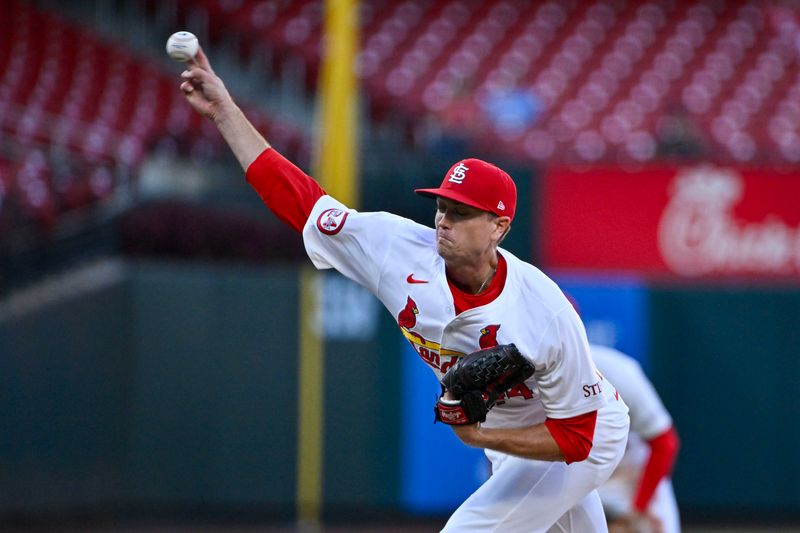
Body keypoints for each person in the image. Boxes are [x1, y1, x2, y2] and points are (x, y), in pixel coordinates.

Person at [178, 47, 630, 532]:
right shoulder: (398, 249)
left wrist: (477, 436)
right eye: (441, 205)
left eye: (460, 212)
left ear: (499, 226)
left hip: (581, 435)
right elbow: (301, 202)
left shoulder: (544, 311)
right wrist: (225, 111)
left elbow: (577, 437)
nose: (442, 219)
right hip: (514, 436)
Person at [591, 344, 681, 533]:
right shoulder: (537, 375)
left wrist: (638, 509)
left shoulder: (616, 371)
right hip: (578, 466)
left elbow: (665, 443)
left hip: (632, 468)